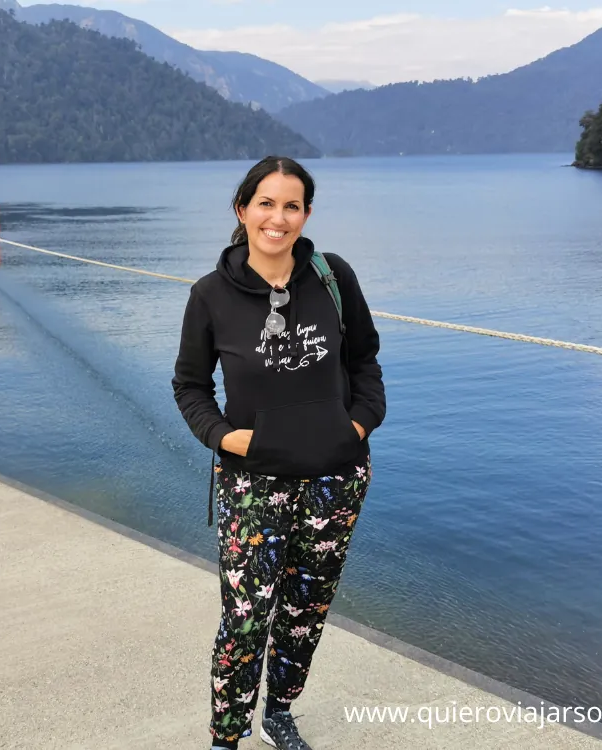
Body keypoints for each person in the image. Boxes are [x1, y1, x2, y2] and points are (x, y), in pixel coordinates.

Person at [172, 156, 386, 750]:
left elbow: (365, 359)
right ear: (242, 211)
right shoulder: (210, 295)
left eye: (292, 205)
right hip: (253, 482)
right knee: (244, 622)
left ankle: (280, 713)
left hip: (334, 480)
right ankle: (226, 737)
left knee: (305, 610)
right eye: (266, 203)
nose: (279, 217)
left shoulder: (333, 278)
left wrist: (360, 424)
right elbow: (190, 385)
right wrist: (227, 438)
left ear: (307, 214)